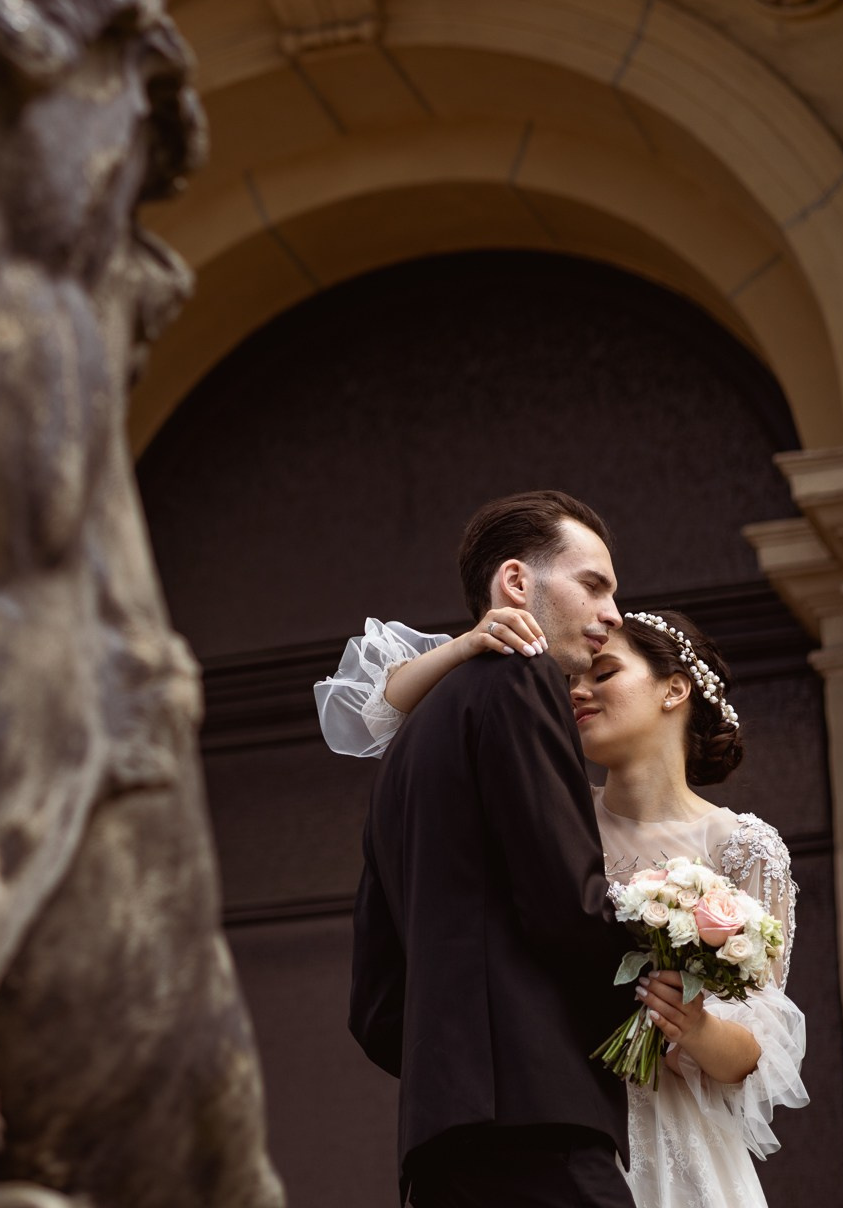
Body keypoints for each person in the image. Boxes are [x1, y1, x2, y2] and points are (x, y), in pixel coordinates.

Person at [331, 558, 808, 1208]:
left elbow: (753, 1054)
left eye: (604, 673)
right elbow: (378, 717)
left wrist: (687, 1022)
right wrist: (472, 644)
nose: (578, 691)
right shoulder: (546, 806)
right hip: (550, 1119)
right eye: (575, 679)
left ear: (674, 690)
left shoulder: (745, 848)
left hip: (675, 1144)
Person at [347, 491, 636, 1207]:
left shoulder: (408, 741)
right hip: (535, 1119)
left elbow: (376, 1007)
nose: (614, 615)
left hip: (443, 1140)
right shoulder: (521, 677)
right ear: (516, 582)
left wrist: (453, 1059)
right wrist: (648, 1004)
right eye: (593, 585)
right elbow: (564, 897)